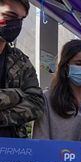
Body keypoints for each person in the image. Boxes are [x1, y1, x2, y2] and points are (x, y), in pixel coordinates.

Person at [0, 0, 44, 137]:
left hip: (13, 152)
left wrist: (2, 118)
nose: (16, 24)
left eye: (21, 19)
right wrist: (17, 94)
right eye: (10, 16)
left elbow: (37, 104)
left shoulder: (20, 60)